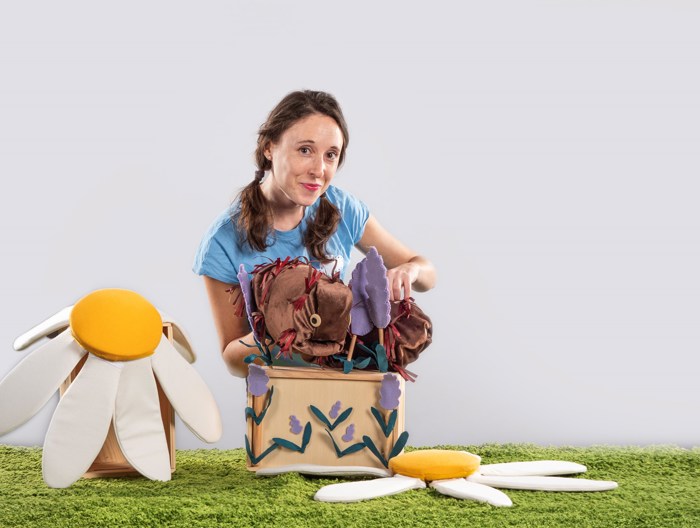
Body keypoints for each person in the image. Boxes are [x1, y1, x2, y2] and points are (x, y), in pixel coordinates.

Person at [194, 90, 436, 377]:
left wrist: (410, 270)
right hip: (279, 391)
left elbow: (427, 275)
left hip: (345, 383)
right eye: (305, 150)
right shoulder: (224, 240)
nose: (319, 170)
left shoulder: (343, 209)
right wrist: (277, 330)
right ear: (269, 148)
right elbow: (232, 360)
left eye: (330, 155)